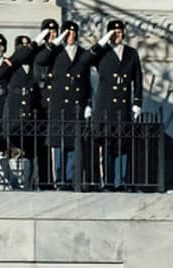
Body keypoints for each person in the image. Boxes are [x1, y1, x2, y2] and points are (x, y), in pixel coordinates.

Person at [38, 21, 96, 189]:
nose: (71, 36)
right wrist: (56, 41)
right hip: (59, 105)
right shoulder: (55, 52)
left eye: (73, 33)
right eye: (67, 33)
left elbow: (87, 81)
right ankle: (60, 179)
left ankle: (70, 178)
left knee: (74, 143)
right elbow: (41, 60)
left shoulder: (83, 53)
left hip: (77, 104)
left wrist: (89, 103)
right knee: (58, 143)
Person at [90, 20, 144, 190]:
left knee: (123, 143)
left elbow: (138, 79)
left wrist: (137, 102)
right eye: (113, 33)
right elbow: (88, 58)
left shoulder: (131, 53)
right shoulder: (102, 53)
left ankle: (122, 181)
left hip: (123, 106)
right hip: (105, 106)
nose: (117, 35)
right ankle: (109, 181)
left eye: (119, 32)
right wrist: (103, 41)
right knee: (106, 144)